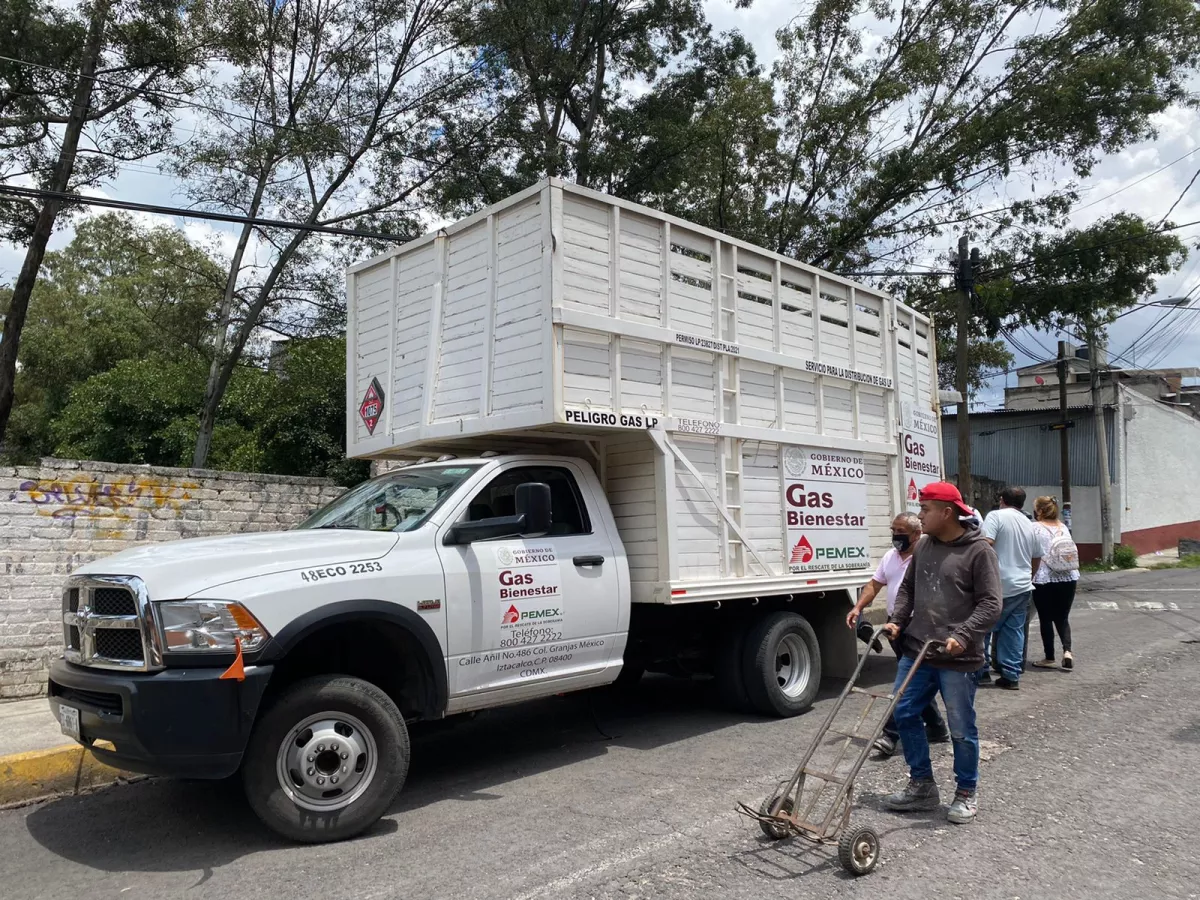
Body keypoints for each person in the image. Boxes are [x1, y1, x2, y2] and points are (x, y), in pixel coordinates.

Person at [882, 481, 1001, 825]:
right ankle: (922, 786)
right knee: (902, 712)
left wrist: (964, 635)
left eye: (925, 509)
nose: (920, 516)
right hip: (919, 649)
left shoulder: (979, 552)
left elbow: (992, 603)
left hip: (957, 657)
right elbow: (908, 590)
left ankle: (966, 791)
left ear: (947, 513)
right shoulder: (924, 548)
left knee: (961, 727)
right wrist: (897, 621)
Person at [844, 513, 950, 756]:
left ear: (916, 534)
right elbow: (875, 584)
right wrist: (858, 607)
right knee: (914, 679)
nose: (895, 535)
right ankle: (937, 727)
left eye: (900, 530)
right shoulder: (890, 557)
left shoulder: (927, 557)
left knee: (906, 682)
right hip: (895, 626)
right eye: (893, 530)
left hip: (921, 626)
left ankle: (890, 733)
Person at [979, 487, 1041, 690]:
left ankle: (982, 670)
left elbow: (986, 545)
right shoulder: (1030, 523)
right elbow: (1036, 556)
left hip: (996, 583)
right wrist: (1029, 576)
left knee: (983, 628)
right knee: (1013, 631)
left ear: (1001, 500)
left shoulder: (995, 516)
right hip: (1022, 585)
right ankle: (1011, 674)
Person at [1030, 496, 1080, 671]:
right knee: (1062, 617)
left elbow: (1031, 551)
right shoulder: (1063, 527)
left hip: (1044, 576)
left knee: (1045, 617)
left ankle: (1049, 656)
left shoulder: (1035, 528)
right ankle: (1067, 651)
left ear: (1041, 511)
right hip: (1068, 575)